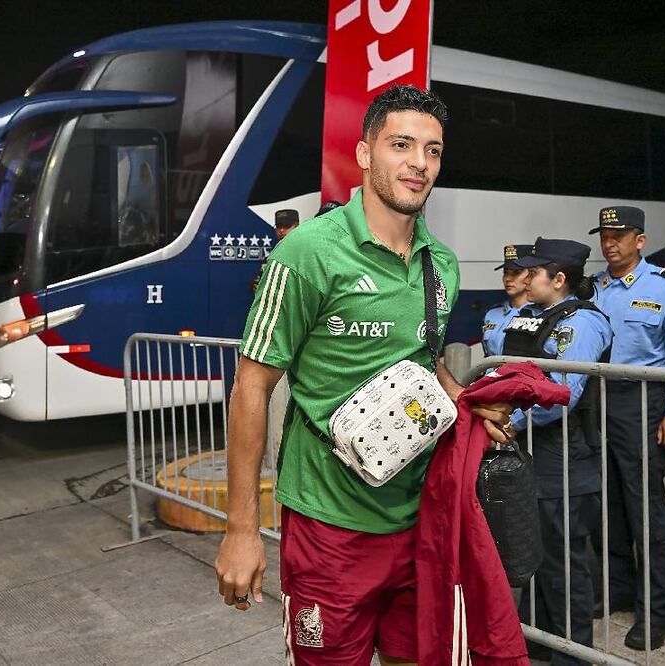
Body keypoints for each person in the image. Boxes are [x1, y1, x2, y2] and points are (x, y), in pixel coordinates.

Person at [214, 84, 513, 665]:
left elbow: (424, 363)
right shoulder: (305, 253)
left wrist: (465, 400)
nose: (418, 164)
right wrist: (241, 528)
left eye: (433, 150)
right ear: (365, 153)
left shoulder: (441, 264)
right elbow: (251, 387)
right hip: (330, 528)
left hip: (419, 521)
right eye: (402, 145)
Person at [589, 205, 665, 650]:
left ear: (640, 240)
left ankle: (659, 611)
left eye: (619, 235)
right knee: (608, 503)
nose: (610, 242)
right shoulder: (593, 287)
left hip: (643, 402)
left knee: (645, 508)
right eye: (605, 235)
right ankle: (618, 588)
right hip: (600, 402)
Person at [500, 238, 612, 666]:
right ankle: (536, 643)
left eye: (533, 272)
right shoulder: (529, 317)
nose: (524, 279)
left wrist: (511, 420)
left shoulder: (582, 323)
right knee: (533, 556)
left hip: (564, 457)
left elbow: (562, 393)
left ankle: (573, 656)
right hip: (530, 455)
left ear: (559, 279)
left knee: (565, 566)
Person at [481, 244, 531, 358]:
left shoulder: (540, 314)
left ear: (532, 275)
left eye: (516, 272)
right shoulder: (492, 314)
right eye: (506, 272)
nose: (508, 278)